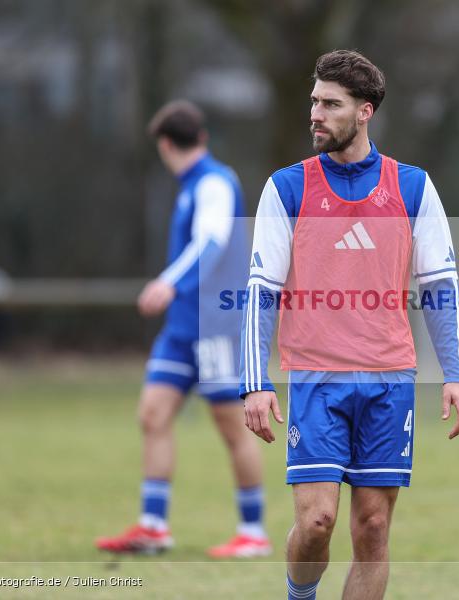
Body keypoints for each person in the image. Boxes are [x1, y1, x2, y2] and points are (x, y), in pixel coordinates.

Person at [240, 50, 459, 600]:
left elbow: (439, 288)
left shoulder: (412, 187)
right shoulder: (287, 188)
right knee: (317, 521)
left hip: (390, 381)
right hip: (317, 380)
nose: (315, 113)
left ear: (365, 111)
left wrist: (456, 374)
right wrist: (254, 381)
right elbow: (260, 293)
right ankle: (301, 595)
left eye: (331, 104)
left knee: (372, 529)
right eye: (314, 101)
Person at [95, 101, 270, 558]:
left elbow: (209, 243)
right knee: (152, 414)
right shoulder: (193, 184)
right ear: (203, 137)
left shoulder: (213, 182)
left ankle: (252, 532)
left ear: (166, 145)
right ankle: (153, 526)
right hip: (180, 329)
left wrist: (168, 282)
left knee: (232, 426)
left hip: (216, 325)